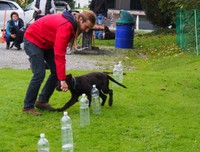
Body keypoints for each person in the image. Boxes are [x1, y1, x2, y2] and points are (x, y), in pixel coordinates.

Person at [22, 10, 96, 115]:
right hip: (33, 39)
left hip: (47, 42)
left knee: (56, 71)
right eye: (86, 26)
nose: (87, 30)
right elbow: (59, 55)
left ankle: (42, 101)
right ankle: (28, 107)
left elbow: (59, 51)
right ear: (80, 19)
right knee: (39, 74)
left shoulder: (72, 25)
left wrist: (60, 76)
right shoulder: (66, 26)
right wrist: (62, 80)